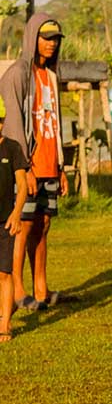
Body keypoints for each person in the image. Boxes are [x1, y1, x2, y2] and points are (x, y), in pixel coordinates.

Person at [0, 13, 67, 311]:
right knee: (22, 226)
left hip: (51, 162)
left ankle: (41, 288)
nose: (51, 44)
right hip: (29, 166)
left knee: (44, 224)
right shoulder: (17, 74)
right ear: (32, 38)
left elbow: (57, 122)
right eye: (45, 37)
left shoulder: (51, 76)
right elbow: (13, 124)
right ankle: (17, 290)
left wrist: (62, 167)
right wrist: (22, 168)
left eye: (55, 39)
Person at [0, 97, 30, 341]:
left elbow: (22, 184)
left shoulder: (12, 148)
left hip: (5, 222)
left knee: (4, 273)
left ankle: (5, 324)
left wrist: (16, 213)